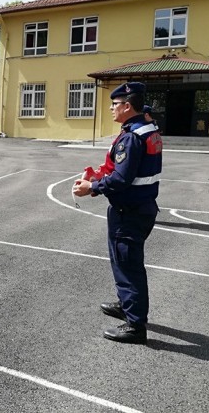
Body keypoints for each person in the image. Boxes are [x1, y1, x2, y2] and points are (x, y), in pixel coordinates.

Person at [73, 82, 162, 345]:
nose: (111, 108)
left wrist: (92, 187)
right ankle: (126, 304)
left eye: (115, 104)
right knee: (123, 262)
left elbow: (121, 179)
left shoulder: (132, 137)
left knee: (129, 266)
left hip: (130, 211)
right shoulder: (146, 128)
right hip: (139, 208)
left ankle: (135, 326)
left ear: (126, 106)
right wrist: (98, 178)